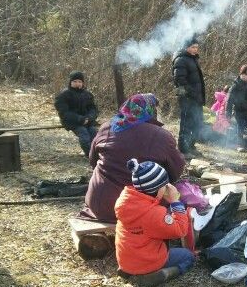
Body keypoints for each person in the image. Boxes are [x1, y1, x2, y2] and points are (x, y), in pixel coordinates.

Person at [79, 93, 185, 223]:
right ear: (151, 111)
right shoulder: (161, 135)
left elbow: (93, 160)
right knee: (177, 192)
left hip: (100, 205)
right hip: (139, 210)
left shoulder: (107, 127)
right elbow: (176, 170)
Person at [115, 158, 194, 287]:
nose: (167, 187)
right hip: (148, 261)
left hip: (126, 261)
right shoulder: (153, 214)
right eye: (165, 186)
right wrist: (175, 202)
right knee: (188, 256)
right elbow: (181, 230)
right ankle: (163, 273)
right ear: (157, 190)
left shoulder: (126, 201)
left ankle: (130, 271)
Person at [173, 38, 205, 159]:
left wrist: (198, 95)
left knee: (197, 124)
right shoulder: (181, 60)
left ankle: (191, 146)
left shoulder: (193, 59)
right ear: (186, 47)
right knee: (186, 125)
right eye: (193, 47)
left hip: (196, 99)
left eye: (196, 47)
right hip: (187, 99)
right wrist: (192, 93)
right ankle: (183, 150)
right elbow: (180, 80)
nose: (195, 50)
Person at [54, 70, 98, 157]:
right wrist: (80, 119)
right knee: (84, 134)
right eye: (75, 81)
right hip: (72, 121)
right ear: (70, 82)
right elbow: (64, 113)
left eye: (80, 81)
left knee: (94, 133)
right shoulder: (64, 94)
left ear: (83, 83)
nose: (77, 83)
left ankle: (98, 153)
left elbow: (93, 109)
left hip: (87, 121)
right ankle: (91, 156)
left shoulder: (87, 94)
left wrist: (89, 118)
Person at [226, 64, 247, 152]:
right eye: (243, 74)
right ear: (240, 74)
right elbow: (229, 100)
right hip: (239, 111)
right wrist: (228, 113)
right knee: (240, 128)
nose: (245, 76)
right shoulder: (235, 85)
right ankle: (240, 145)